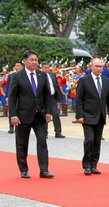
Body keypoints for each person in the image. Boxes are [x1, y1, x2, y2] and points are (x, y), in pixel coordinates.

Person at [8, 50, 54, 179]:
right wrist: (13, 115)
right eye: (32, 60)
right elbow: (12, 98)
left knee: (42, 141)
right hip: (22, 116)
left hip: (40, 115)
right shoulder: (17, 76)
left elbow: (47, 95)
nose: (34, 62)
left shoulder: (42, 75)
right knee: (22, 143)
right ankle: (24, 169)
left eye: (36, 60)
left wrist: (49, 112)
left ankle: (44, 170)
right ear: (24, 61)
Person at [76, 58, 109, 175]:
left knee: (97, 141)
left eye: (101, 66)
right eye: (97, 66)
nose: (99, 69)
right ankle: (86, 165)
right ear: (91, 67)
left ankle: (94, 165)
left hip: (100, 116)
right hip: (87, 115)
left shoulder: (106, 81)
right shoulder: (84, 81)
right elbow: (79, 100)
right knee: (89, 140)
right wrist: (80, 115)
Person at [41, 62, 65, 138]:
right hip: (43, 99)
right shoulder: (39, 76)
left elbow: (56, 85)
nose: (47, 69)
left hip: (52, 98)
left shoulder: (52, 75)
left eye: (48, 67)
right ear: (42, 68)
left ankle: (58, 132)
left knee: (56, 114)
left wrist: (59, 96)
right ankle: (44, 133)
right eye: (45, 67)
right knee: (45, 116)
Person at [6, 61, 24, 134]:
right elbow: (8, 86)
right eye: (16, 65)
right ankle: (11, 127)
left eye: (18, 65)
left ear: (22, 67)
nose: (16, 67)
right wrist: (7, 96)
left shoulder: (24, 75)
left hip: (21, 96)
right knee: (11, 111)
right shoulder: (11, 75)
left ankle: (18, 127)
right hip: (12, 96)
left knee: (20, 111)